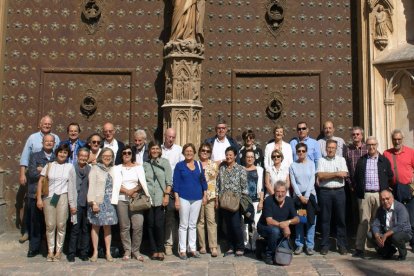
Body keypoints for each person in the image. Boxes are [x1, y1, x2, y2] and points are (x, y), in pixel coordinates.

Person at [19, 115, 60, 243]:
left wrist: (45, 169)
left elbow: (58, 156)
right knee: (31, 208)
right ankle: (27, 232)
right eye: (45, 123)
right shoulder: (33, 137)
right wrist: (22, 174)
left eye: (49, 124)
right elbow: (25, 156)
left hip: (51, 181)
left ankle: (44, 235)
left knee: (48, 207)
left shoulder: (56, 138)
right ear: (40, 125)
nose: (47, 125)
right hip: (34, 179)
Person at [353, 136, 393, 258]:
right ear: (366, 146)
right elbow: (356, 177)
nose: (371, 147)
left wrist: (385, 191)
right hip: (365, 195)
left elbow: (390, 176)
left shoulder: (384, 160)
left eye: (373, 144)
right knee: (363, 222)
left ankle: (379, 247)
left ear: (377, 145)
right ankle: (359, 248)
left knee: (379, 222)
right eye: (369, 145)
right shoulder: (361, 160)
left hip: (379, 195)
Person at [36, 144, 74, 262]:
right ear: (56, 153)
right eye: (60, 152)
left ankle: (58, 251)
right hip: (49, 197)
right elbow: (41, 182)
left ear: (68, 155)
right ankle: (50, 251)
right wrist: (39, 199)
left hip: (63, 196)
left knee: (61, 225)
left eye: (65, 152)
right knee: (50, 225)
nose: (62, 154)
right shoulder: (49, 165)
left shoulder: (70, 167)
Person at [113, 145, 149, 262]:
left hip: (136, 199)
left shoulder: (139, 167)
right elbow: (115, 184)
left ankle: (136, 250)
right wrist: (126, 191)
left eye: (129, 153)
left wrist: (134, 190)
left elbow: (142, 183)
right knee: (124, 226)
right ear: (121, 155)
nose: (127, 155)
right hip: (121, 199)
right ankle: (127, 250)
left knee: (138, 225)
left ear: (132, 154)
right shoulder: (117, 168)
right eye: (124, 153)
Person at [173, 143, 207, 260]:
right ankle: (182, 250)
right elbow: (176, 183)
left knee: (193, 224)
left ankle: (192, 248)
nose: (189, 153)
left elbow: (203, 181)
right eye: (186, 151)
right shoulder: (179, 166)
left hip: (197, 197)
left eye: (191, 151)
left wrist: (205, 195)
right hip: (183, 198)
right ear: (183, 153)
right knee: (183, 224)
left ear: (194, 153)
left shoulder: (198, 164)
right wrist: (176, 199)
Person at [316, 139, 349, 255]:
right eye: (329, 147)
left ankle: (341, 245)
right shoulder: (321, 160)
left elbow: (344, 174)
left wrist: (327, 175)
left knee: (341, 219)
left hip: (339, 192)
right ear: (326, 148)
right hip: (325, 192)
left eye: (333, 148)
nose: (330, 150)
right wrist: (336, 174)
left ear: (336, 149)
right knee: (325, 220)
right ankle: (325, 245)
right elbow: (320, 175)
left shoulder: (341, 160)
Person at [383, 129, 414, 248]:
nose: (397, 141)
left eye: (399, 139)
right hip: (393, 190)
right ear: (391, 140)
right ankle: (396, 242)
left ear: (402, 139)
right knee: (394, 217)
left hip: (408, 189)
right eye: (394, 139)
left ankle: (412, 242)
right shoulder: (386, 153)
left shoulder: (411, 152)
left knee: (411, 216)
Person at [26, 134, 55, 258]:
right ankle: (34, 247)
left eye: (51, 141)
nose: (48, 143)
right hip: (35, 194)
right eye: (46, 141)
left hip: (52, 194)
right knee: (36, 222)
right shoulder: (34, 156)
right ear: (42, 142)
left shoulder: (57, 156)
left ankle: (50, 248)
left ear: (54, 143)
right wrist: (48, 173)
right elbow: (32, 173)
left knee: (51, 223)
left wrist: (41, 170)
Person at [257, 180, 299, 265]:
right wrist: (283, 226)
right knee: (274, 231)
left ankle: (264, 244)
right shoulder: (269, 200)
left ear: (286, 192)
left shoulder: (289, 201)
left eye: (283, 191)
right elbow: (269, 221)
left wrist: (288, 222)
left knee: (285, 253)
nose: (280, 194)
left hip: (280, 228)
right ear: (274, 191)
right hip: (264, 227)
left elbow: (297, 219)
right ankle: (269, 255)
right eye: (278, 191)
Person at [143, 140, 173, 261]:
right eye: (152, 149)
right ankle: (153, 250)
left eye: (157, 149)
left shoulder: (165, 163)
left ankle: (161, 249)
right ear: (149, 151)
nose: (155, 151)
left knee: (159, 224)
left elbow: (168, 181)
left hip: (160, 197)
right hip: (149, 198)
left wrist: (166, 195)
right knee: (150, 224)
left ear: (160, 150)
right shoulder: (145, 164)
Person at [87, 148, 118, 262]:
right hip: (98, 201)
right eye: (105, 155)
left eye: (109, 155)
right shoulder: (95, 168)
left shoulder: (114, 169)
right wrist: (93, 203)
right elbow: (91, 187)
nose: (107, 157)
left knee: (107, 227)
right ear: (101, 156)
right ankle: (95, 252)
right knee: (95, 226)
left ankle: (108, 252)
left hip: (110, 203)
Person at [216, 146, 247, 257]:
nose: (228, 157)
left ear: (235, 156)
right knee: (227, 225)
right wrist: (217, 198)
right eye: (227, 155)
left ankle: (240, 247)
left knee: (235, 225)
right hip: (224, 201)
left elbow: (244, 186)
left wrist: (243, 201)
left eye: (230, 155)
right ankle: (230, 247)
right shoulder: (222, 168)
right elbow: (218, 184)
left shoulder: (241, 169)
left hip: (235, 201)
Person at [289, 143, 317, 256]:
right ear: (296, 152)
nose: (301, 153)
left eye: (303, 151)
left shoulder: (311, 164)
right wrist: (300, 196)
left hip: (310, 196)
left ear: (306, 152)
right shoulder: (293, 165)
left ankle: (310, 246)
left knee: (311, 221)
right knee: (299, 220)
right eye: (299, 151)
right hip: (298, 197)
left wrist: (306, 196)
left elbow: (312, 179)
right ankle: (299, 244)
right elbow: (293, 182)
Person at [161, 128, 184, 255]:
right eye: (169, 137)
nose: (170, 139)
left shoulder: (179, 150)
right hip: (162, 188)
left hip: (176, 187)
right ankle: (168, 244)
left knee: (180, 216)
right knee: (168, 216)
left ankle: (180, 244)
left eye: (173, 137)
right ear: (165, 136)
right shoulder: (159, 149)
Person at [372, 190, 412, 260]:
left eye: (387, 198)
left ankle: (402, 254)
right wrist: (377, 235)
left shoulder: (400, 207)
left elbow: (401, 226)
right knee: (371, 235)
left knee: (396, 237)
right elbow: (375, 224)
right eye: (383, 200)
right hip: (387, 233)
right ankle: (389, 251)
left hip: (404, 232)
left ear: (392, 198)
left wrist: (386, 234)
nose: (385, 201)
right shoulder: (380, 209)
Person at [67, 147, 91, 262]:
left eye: (85, 156)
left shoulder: (90, 169)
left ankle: (84, 252)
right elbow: (70, 188)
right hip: (76, 202)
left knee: (86, 228)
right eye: (81, 155)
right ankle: (71, 252)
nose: (83, 158)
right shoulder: (72, 169)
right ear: (77, 156)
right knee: (75, 228)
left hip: (86, 203)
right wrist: (72, 205)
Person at [344, 126, 368, 236]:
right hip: (354, 187)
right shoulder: (348, 150)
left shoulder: (368, 149)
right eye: (353, 134)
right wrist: (350, 184)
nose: (355, 136)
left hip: (367, 187)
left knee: (366, 213)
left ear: (362, 136)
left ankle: (368, 238)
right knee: (355, 212)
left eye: (357, 134)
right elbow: (346, 169)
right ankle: (356, 236)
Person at [196, 142, 219, 257]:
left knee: (211, 221)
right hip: (197, 196)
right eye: (203, 150)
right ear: (199, 152)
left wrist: (217, 198)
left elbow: (216, 182)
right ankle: (202, 246)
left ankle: (213, 246)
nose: (205, 153)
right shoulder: (195, 164)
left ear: (210, 153)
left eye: (207, 151)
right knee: (200, 222)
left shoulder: (214, 165)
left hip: (210, 196)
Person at [243, 149, 264, 251]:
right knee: (244, 224)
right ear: (245, 158)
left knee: (256, 223)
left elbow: (262, 187)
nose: (250, 158)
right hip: (245, 201)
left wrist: (261, 201)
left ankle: (255, 244)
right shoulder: (241, 169)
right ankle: (246, 244)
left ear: (254, 158)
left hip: (256, 200)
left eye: (251, 157)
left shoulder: (260, 170)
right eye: (248, 157)